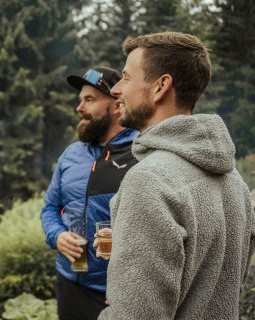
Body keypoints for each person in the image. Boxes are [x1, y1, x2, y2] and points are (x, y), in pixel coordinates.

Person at [96, 32, 255, 319]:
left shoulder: (149, 181)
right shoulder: (235, 183)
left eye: (127, 78)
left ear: (160, 87)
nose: (117, 89)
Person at [40, 66, 138, 320]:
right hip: (69, 282)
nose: (79, 108)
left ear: (117, 106)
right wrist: (57, 235)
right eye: (80, 100)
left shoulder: (141, 153)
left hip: (115, 292)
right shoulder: (71, 154)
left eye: (90, 100)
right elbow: (50, 208)